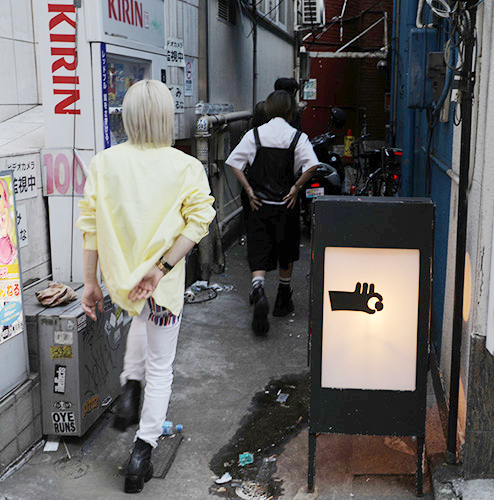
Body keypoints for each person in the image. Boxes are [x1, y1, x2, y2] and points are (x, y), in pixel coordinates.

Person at [77, 80, 215, 494]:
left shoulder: (104, 163)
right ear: (166, 117)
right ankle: (142, 453)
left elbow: (90, 227)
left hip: (124, 283)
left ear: (129, 116)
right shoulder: (185, 166)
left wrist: (89, 282)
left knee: (139, 319)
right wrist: (161, 268)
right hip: (163, 286)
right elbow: (199, 222)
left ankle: (129, 387)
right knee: (162, 366)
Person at [226, 90, 319, 334]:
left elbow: (234, 162)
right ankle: (282, 298)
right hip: (286, 204)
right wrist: (296, 187)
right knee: (286, 248)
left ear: (267, 109)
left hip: (259, 204)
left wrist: (248, 190)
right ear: (290, 111)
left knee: (259, 247)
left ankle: (258, 290)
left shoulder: (255, 134)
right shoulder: (297, 137)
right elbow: (312, 165)